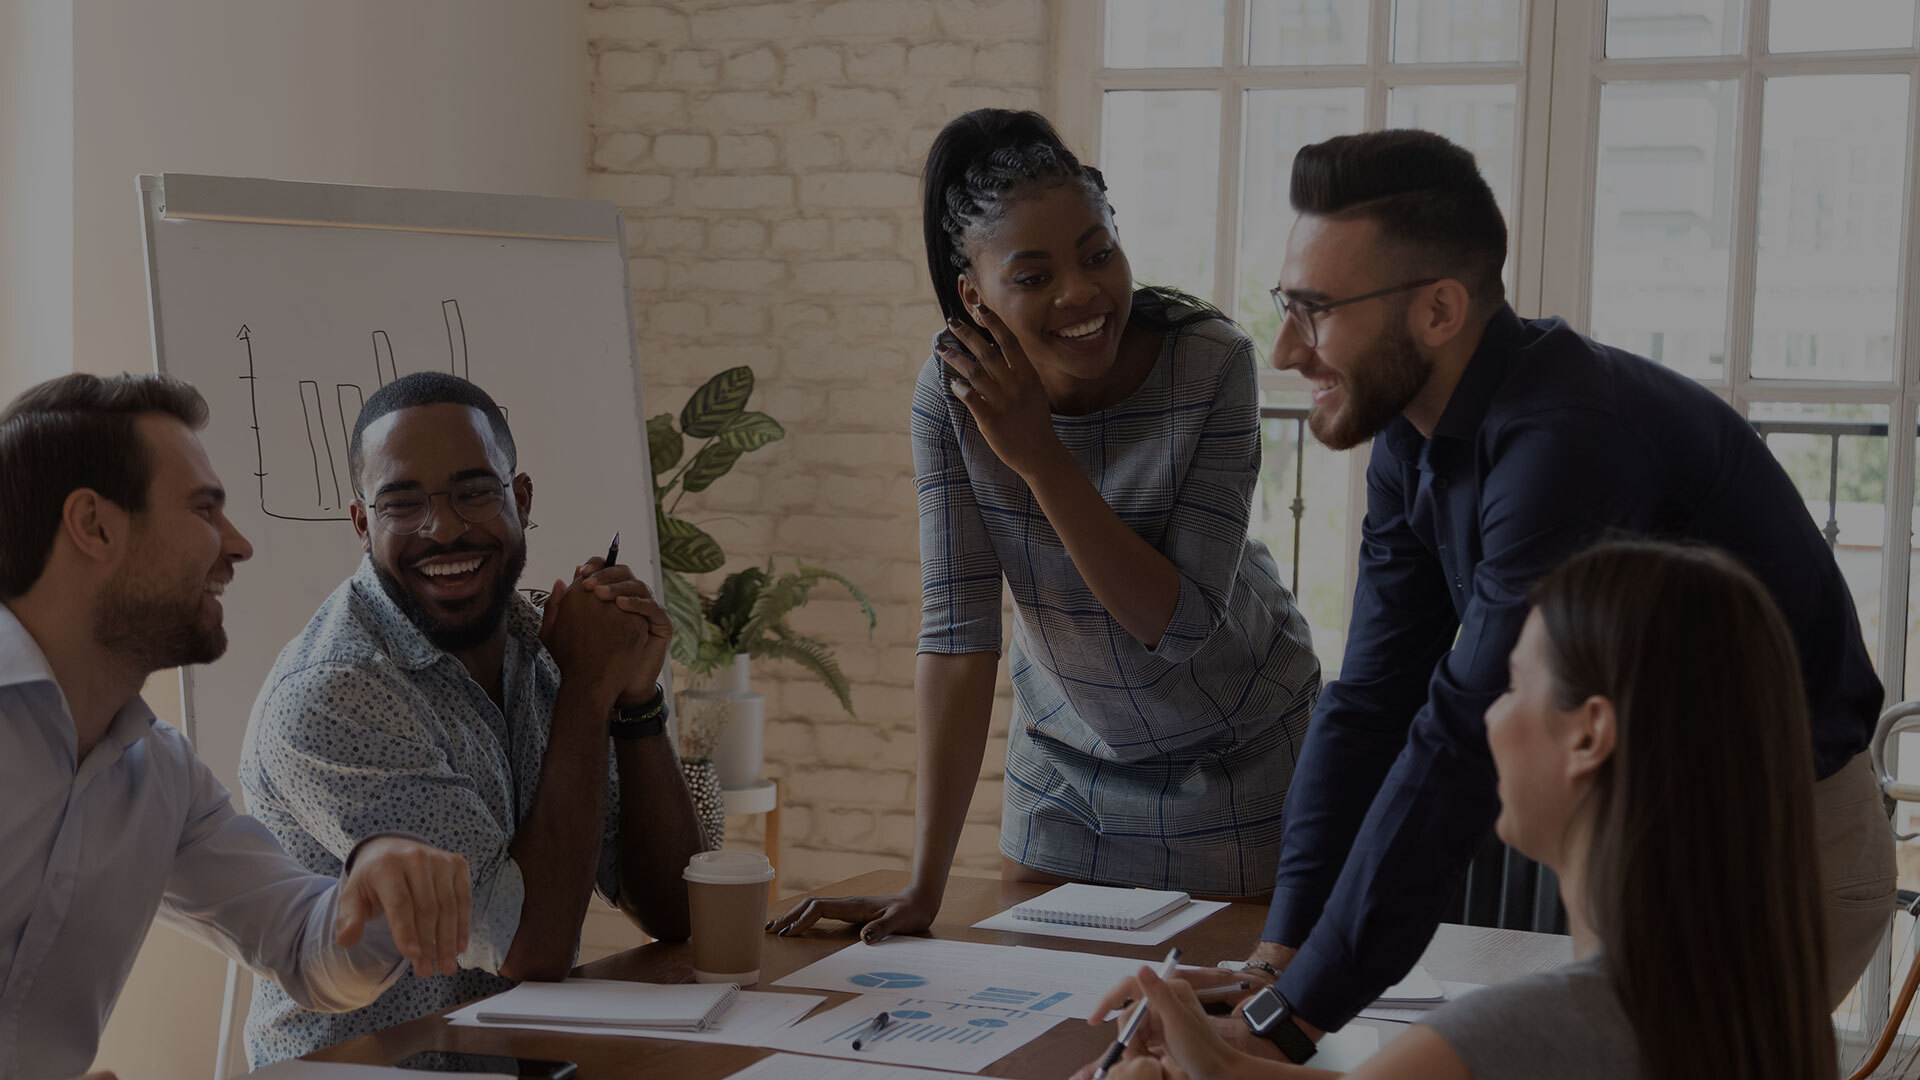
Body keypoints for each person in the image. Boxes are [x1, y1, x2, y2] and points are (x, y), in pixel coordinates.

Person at [1203, 129, 1891, 1061]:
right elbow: (1371, 700)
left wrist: (1293, 1022)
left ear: (1441, 310)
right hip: (1641, 845)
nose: (1285, 347)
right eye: (1288, 303)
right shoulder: (1413, 432)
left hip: (1774, 850)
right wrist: (1276, 965)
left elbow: (1459, 732)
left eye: (1315, 310)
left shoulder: (1565, 441)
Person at [772, 109, 1321, 940]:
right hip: (1067, 772)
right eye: (1032, 277)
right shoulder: (950, 395)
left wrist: (1041, 456)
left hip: (1242, 763)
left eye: (1098, 253)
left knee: (1215, 1046)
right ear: (974, 293)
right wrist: (924, 887)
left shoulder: (1212, 363)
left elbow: (1174, 624)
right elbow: (958, 636)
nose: (1081, 293)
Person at [1078, 540, 1836, 1080]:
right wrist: (1213, 1062)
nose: (1490, 720)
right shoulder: (1749, 1008)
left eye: (1512, 686)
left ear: (1589, 734)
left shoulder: (1522, 1033)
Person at [0, 372, 472, 1080]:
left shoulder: (159, 775)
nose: (239, 545)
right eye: (203, 510)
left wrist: (372, 891)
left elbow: (306, 950)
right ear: (94, 526)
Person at [239, 372, 704, 1065]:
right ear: (362, 524)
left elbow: (677, 912)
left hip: (509, 1056)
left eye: (473, 492)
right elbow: (531, 946)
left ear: (519, 498)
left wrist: (634, 702)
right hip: (364, 1071)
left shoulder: (537, 639)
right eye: (402, 503)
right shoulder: (335, 693)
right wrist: (586, 687)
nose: (445, 526)